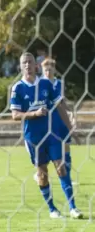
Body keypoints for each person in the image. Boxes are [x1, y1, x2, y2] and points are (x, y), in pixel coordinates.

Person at [10, 53, 82, 219]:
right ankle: (52, 209)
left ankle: (73, 207)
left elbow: (60, 106)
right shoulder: (18, 88)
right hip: (33, 137)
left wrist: (70, 128)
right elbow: (14, 115)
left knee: (61, 166)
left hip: (52, 134)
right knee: (42, 173)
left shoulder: (45, 84)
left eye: (30, 62)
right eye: (24, 63)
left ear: (36, 66)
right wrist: (34, 113)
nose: (27, 65)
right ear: (20, 67)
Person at [33, 57, 77, 186]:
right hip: (45, 121)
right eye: (45, 70)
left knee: (66, 148)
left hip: (59, 120)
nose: (47, 72)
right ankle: (40, 173)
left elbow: (62, 102)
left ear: (54, 69)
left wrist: (71, 113)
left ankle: (67, 177)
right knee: (45, 151)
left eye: (49, 69)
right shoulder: (39, 83)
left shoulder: (59, 83)